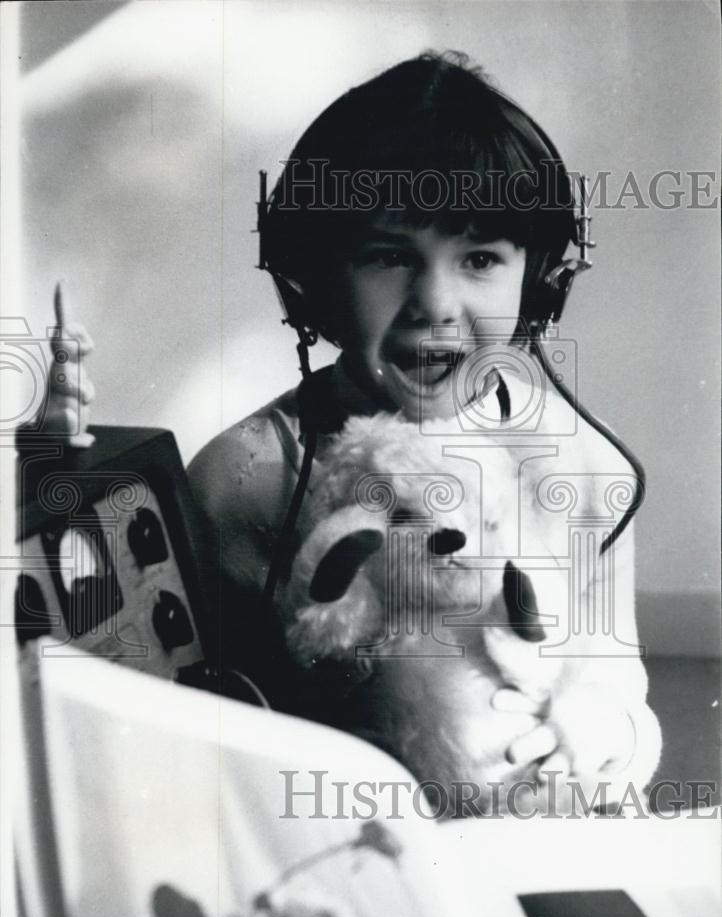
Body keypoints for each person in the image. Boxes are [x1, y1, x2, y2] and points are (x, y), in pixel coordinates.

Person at [41, 51, 661, 803]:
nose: (436, 304)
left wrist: (609, 732)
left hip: (540, 831)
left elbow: (618, 682)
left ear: (539, 286)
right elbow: (193, 729)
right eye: (390, 256)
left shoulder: (583, 463)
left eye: (479, 258)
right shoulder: (242, 478)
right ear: (312, 282)